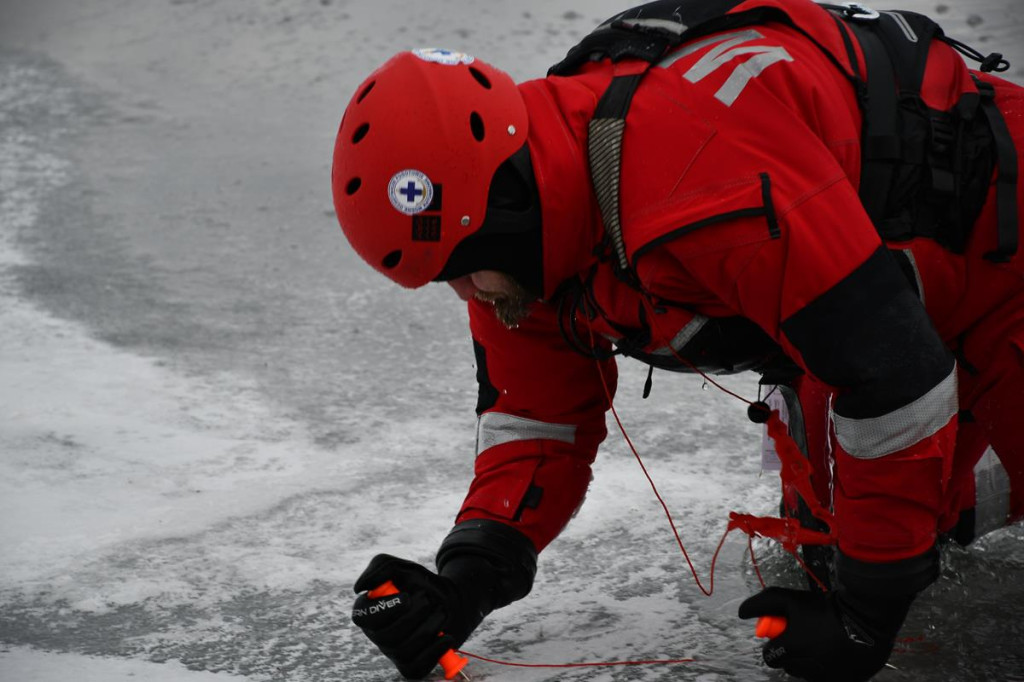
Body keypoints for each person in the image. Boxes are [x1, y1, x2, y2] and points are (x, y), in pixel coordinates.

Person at [333, 1, 1024, 680]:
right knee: (836, 545)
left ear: (504, 205)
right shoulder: (524, 237)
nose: (466, 294)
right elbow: (538, 423)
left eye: (462, 269)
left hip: (1002, 261)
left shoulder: (693, 174)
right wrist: (465, 582)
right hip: (887, 303)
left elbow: (894, 375)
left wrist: (867, 614)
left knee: (893, 548)